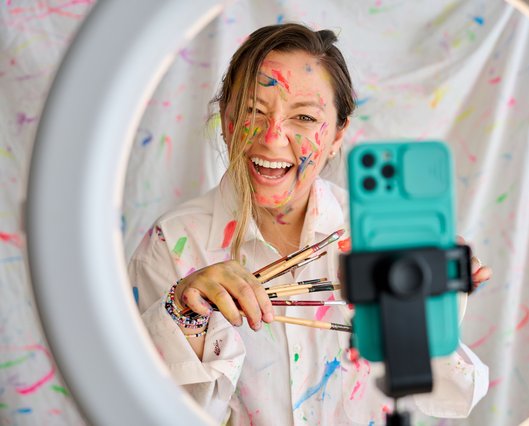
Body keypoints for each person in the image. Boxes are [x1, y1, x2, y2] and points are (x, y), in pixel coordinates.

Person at [128, 23, 492, 425]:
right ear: (228, 122)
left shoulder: (376, 236)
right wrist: (184, 314)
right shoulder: (173, 243)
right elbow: (143, 412)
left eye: (303, 117)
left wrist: (428, 293)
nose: (272, 137)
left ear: (338, 135)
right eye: (253, 110)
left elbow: (454, 394)